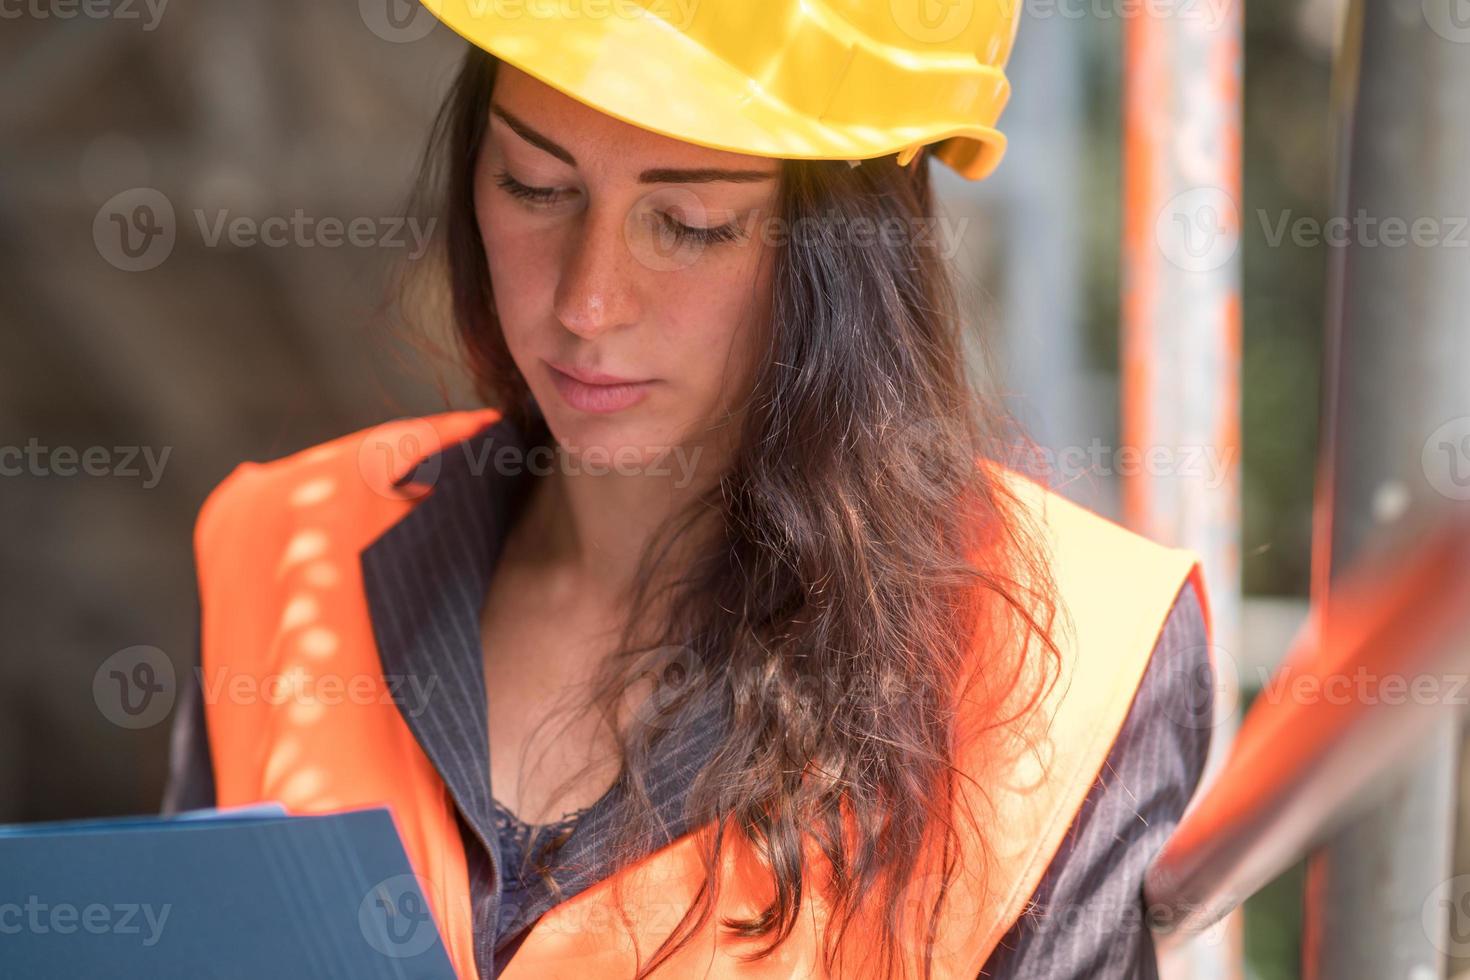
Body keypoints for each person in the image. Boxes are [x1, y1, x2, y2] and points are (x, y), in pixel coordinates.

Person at [164, 4, 1217, 978]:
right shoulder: (285, 545)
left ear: (852, 247)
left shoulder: (1064, 660)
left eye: (692, 221)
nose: (588, 301)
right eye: (535, 187)